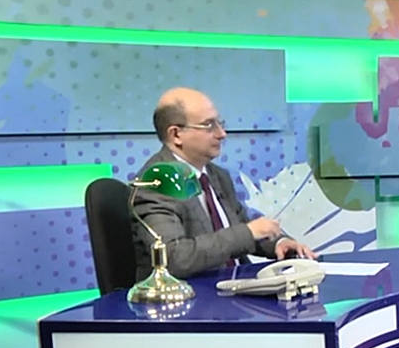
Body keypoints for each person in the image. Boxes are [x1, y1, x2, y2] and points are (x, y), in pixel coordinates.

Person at [132, 87, 315, 280]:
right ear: (176, 134)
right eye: (208, 125)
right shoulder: (156, 183)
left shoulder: (217, 175)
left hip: (234, 284)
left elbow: (241, 228)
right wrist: (249, 232)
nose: (222, 133)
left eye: (220, 123)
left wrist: (279, 243)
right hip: (193, 294)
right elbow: (174, 258)